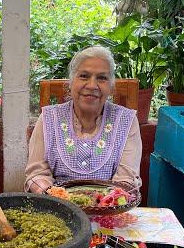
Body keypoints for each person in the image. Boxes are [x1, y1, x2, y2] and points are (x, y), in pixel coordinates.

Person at [25, 45, 142, 193]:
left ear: (111, 88)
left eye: (102, 78)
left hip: (109, 207)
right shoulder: (48, 118)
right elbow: (37, 174)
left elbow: (126, 179)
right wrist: (52, 194)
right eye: (84, 76)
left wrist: (106, 202)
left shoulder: (127, 121)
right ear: (71, 83)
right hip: (59, 208)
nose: (92, 85)